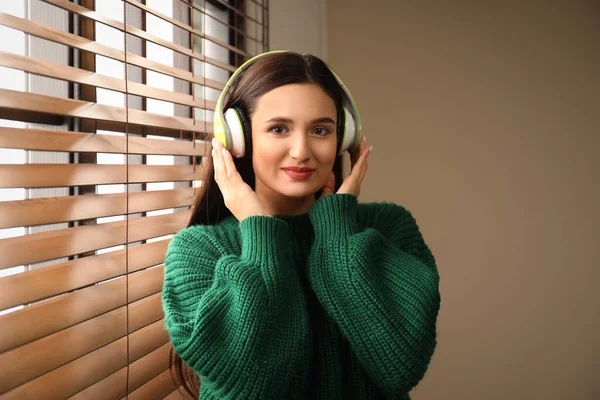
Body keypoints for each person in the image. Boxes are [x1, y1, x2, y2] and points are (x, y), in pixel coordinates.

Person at [162, 50, 440, 399]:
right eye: (279, 128)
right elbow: (249, 384)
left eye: (320, 130)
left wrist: (338, 230)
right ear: (238, 139)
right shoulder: (198, 250)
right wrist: (258, 228)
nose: (301, 151)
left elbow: (400, 365)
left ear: (344, 137)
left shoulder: (388, 227)